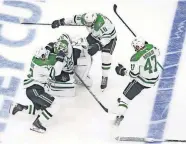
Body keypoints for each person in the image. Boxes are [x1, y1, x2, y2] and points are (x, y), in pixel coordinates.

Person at [10, 34, 75, 133]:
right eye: (44, 56)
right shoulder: (41, 65)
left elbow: (47, 54)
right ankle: (37, 124)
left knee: (40, 110)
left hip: (32, 90)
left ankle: (19, 107)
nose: (46, 57)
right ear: (41, 57)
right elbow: (55, 72)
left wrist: (50, 47)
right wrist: (60, 59)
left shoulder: (37, 59)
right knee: (55, 104)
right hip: (35, 90)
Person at [51, 12, 117, 91]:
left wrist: (98, 46)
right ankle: (78, 68)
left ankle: (105, 76)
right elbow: (74, 20)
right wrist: (61, 22)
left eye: (89, 23)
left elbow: (107, 38)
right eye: (86, 23)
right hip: (95, 36)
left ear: (95, 21)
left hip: (109, 39)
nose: (87, 24)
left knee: (105, 56)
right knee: (83, 47)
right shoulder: (85, 18)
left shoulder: (105, 25)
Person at [114, 37, 162, 126]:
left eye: (135, 47)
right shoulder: (151, 47)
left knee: (125, 97)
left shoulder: (135, 58)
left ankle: (119, 115)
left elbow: (133, 74)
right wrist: (147, 46)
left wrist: (123, 71)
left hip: (143, 81)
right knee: (133, 82)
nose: (135, 49)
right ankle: (129, 94)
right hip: (154, 78)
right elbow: (158, 52)